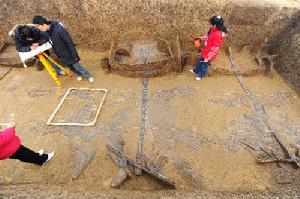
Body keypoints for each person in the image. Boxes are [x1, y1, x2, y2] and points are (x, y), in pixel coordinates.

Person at [32, 16, 94, 83]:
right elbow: (45, 39)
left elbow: (69, 42)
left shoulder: (59, 29)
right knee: (70, 67)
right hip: (60, 54)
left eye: (39, 26)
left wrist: (75, 55)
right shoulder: (47, 32)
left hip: (69, 53)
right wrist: (38, 44)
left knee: (77, 66)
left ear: (43, 24)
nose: (39, 28)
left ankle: (89, 76)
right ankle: (80, 75)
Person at [190, 15, 229, 80]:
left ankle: (201, 75)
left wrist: (208, 58)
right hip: (206, 50)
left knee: (205, 65)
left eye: (212, 24)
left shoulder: (218, 35)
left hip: (209, 54)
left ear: (215, 25)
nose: (210, 25)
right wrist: (201, 39)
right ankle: (195, 71)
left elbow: (215, 48)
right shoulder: (213, 29)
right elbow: (208, 37)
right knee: (200, 61)